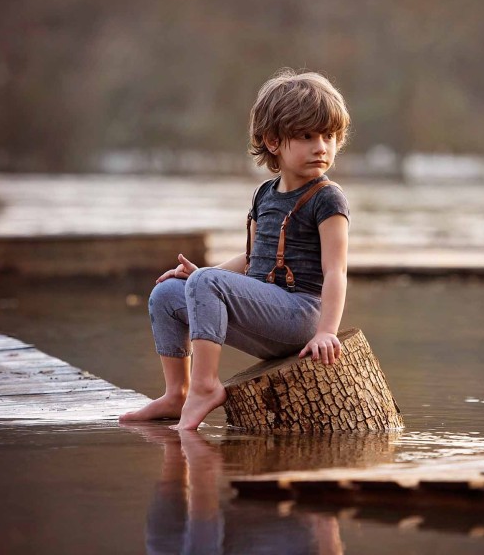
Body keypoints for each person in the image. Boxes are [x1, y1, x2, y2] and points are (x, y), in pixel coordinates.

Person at [120, 69, 351, 431]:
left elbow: (336, 270)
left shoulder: (327, 198)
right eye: (306, 136)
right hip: (265, 313)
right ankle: (176, 394)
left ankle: (206, 385)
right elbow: (250, 260)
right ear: (273, 141)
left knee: (206, 282)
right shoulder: (264, 195)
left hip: (300, 316)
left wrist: (327, 331)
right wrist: (199, 278)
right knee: (166, 293)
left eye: (329, 136)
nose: (321, 146)